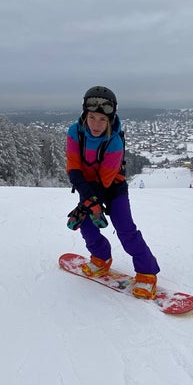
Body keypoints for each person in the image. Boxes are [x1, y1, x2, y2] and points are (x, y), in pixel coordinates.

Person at [66, 86, 160, 299]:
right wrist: (87, 203)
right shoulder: (75, 133)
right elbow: (73, 168)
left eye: (102, 119)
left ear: (110, 119)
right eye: (92, 117)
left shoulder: (114, 140)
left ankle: (147, 272)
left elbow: (105, 179)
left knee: (125, 229)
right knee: (87, 227)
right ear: (85, 115)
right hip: (87, 187)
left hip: (112, 188)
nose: (96, 124)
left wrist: (85, 205)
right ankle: (101, 257)